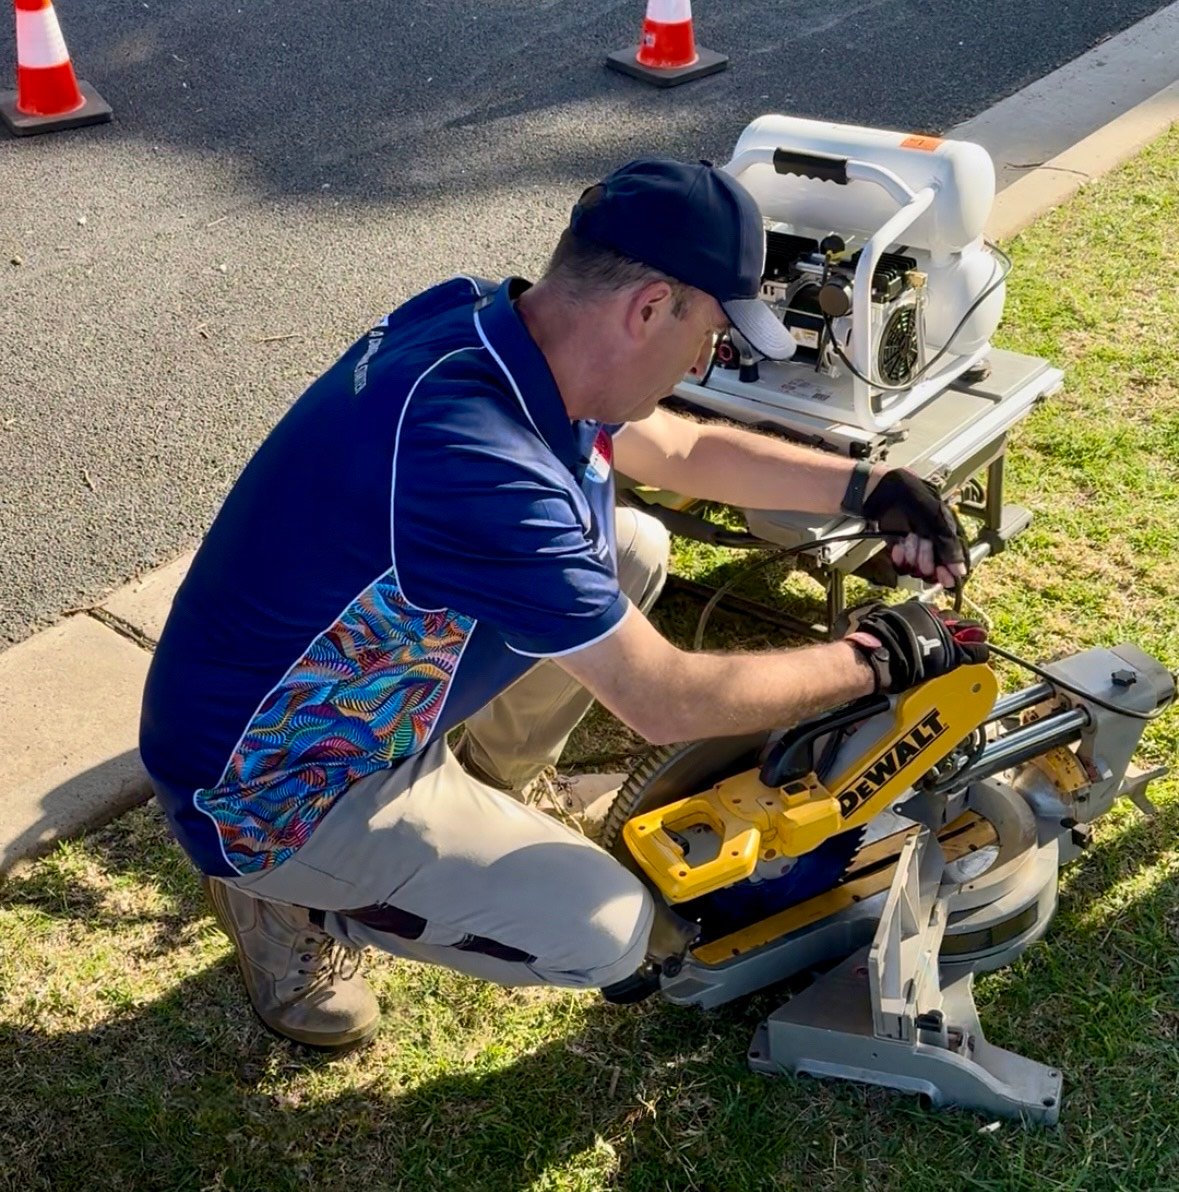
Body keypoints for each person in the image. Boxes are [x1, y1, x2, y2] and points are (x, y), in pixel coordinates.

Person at [139, 157, 982, 1050]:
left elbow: (683, 452)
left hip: (363, 683)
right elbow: (664, 701)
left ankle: (493, 785)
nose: (708, 358)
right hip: (278, 781)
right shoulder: (478, 465)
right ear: (649, 307)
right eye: (709, 331)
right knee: (610, 935)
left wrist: (871, 486)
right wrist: (870, 659)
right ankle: (285, 901)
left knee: (628, 546)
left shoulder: (493, 326)